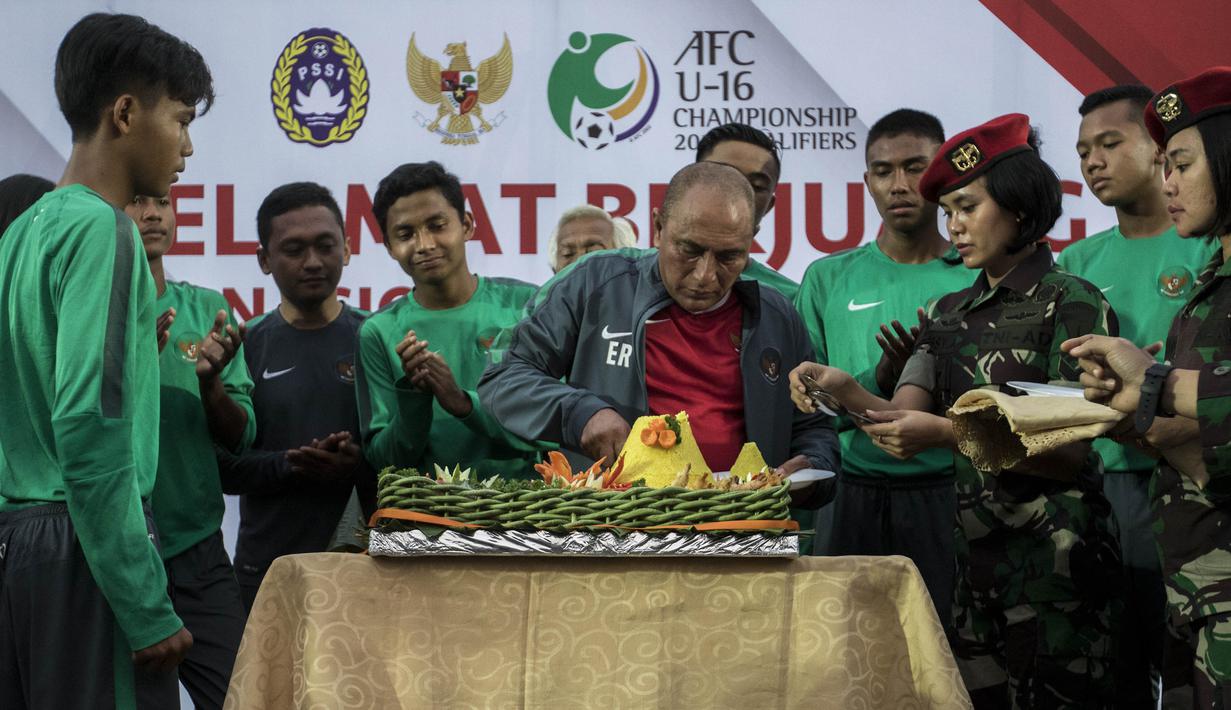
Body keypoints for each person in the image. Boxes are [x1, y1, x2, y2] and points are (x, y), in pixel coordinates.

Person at [790, 114, 1123, 708]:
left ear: (1019, 208)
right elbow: (897, 421)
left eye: (968, 207)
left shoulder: (1071, 302)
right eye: (948, 212)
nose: (955, 226)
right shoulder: (948, 311)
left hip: (1058, 574)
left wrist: (946, 434)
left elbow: (1068, 450)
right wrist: (843, 390)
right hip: (972, 571)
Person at [0, 13, 212, 708]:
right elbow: (89, 427)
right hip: (86, 553)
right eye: (180, 119)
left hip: (22, 549)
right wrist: (144, 602)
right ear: (125, 113)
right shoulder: (103, 227)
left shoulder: (21, 234)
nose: (186, 145)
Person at [479, 161, 839, 507]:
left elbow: (815, 426)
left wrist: (811, 467)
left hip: (741, 535)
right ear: (658, 228)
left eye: (730, 256)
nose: (705, 275)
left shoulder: (777, 317)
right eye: (689, 250)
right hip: (615, 531)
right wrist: (579, 413)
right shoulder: (596, 284)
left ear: (751, 241)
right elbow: (504, 376)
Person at [1063, 66, 1231, 706]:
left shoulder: (1205, 255)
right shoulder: (1082, 263)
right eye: (1082, 151)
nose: (1094, 161)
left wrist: (1155, 385)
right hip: (1138, 498)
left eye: (1110, 143)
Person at [793, 109, 971, 620]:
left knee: (945, 654)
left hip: (948, 492)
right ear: (866, 181)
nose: (900, 184)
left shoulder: (975, 277)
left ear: (942, 175)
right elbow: (807, 401)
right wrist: (877, 381)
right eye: (884, 171)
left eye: (916, 167)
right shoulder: (828, 278)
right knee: (840, 655)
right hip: (848, 493)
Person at [218, 182, 374, 611]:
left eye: (325, 245)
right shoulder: (245, 347)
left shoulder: (379, 338)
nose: (312, 262)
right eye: (293, 250)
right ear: (265, 260)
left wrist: (356, 464)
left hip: (368, 568)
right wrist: (291, 465)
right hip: (267, 572)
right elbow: (223, 468)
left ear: (346, 248)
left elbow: (411, 457)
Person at [125, 193, 254, 707]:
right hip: (118, 551)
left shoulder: (206, 307)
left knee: (243, 696)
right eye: (135, 203)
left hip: (197, 550)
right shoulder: (85, 308)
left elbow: (242, 438)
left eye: (161, 202)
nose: (152, 214)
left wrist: (211, 387)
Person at [357, 161, 541, 478]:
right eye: (406, 234)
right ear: (389, 247)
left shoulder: (525, 306)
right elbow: (385, 460)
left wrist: (462, 403)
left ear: (467, 225)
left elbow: (552, 427)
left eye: (437, 225)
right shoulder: (377, 332)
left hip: (525, 515)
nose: (425, 244)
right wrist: (414, 399)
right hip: (428, 520)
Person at [527, 122, 799, 311]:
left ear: (771, 204)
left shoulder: (789, 302)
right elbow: (513, 369)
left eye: (756, 184)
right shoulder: (607, 282)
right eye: (722, 174)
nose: (734, 190)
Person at [547, 204, 637, 272]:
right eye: (568, 254)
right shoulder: (539, 296)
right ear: (555, 269)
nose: (579, 261)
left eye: (593, 252)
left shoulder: (646, 296)